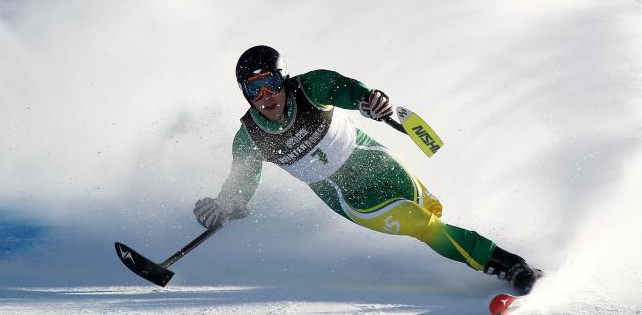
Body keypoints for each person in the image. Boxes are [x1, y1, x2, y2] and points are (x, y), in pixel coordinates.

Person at [193, 45, 542, 294]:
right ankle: (505, 264)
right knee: (424, 226)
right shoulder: (249, 138)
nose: (265, 95)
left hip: (376, 161)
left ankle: (473, 254)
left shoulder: (311, 86)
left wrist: (372, 102)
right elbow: (241, 183)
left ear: (283, 79)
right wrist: (225, 204)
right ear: (245, 94)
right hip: (349, 196)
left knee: (433, 211)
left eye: (270, 82)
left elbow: (350, 91)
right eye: (253, 88)